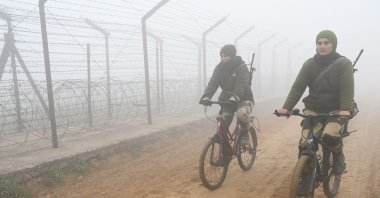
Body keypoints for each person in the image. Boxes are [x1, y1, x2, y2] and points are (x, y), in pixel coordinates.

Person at [276, 30, 354, 176]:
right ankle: (304, 174)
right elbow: (298, 88)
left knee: (330, 136)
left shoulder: (344, 64)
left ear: (333, 45)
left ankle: (337, 155)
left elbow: (347, 89)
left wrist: (345, 109)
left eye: (326, 43)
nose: (322, 46)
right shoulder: (309, 64)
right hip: (313, 111)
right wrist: (286, 108)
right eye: (319, 43)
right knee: (305, 143)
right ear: (316, 45)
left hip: (336, 111)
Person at [199, 44, 254, 151]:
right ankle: (224, 148)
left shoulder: (241, 67)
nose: (223, 58)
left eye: (226, 56)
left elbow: (241, 85)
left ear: (232, 56)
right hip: (227, 101)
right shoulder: (219, 68)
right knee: (223, 122)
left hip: (244, 99)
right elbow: (213, 83)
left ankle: (245, 133)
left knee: (241, 114)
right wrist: (206, 96)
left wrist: (235, 97)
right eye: (221, 56)